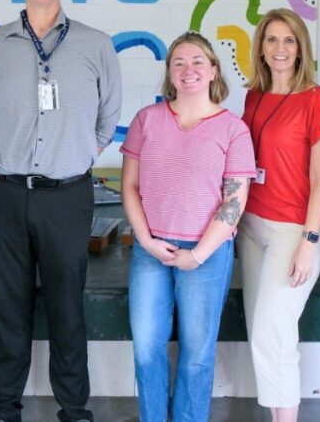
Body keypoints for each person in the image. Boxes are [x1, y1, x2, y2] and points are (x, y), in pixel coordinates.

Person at [0, 0, 122, 422]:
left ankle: (74, 408)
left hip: (67, 196)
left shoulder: (96, 45)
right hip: (5, 194)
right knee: (8, 306)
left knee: (67, 308)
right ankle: (3, 408)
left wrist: (73, 152)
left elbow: (107, 119)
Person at [120, 31, 255, 422]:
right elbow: (129, 185)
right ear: (169, 74)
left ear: (213, 70)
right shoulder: (147, 120)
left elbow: (235, 200)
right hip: (151, 250)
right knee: (147, 348)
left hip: (206, 254)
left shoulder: (233, 129)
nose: (188, 69)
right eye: (178, 62)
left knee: (197, 355)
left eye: (197, 61)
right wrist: (145, 240)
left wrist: (197, 254)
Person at [237, 9, 320, 422]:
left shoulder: (318, 100)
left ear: (301, 49)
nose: (280, 48)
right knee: (261, 332)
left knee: (272, 333)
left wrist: (308, 243)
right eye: (272, 39)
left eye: (289, 40)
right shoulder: (253, 95)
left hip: (293, 229)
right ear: (261, 47)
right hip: (251, 226)